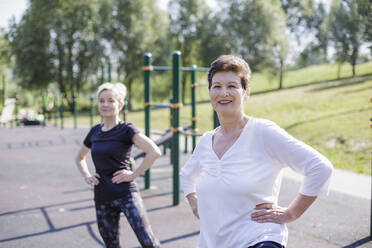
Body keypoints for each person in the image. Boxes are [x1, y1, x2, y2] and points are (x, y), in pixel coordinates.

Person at [180, 55, 333, 248]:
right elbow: (186, 175)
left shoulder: (262, 132)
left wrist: (291, 213)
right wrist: (194, 202)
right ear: (210, 92)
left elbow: (320, 167)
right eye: (217, 86)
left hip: (259, 239)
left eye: (232, 86)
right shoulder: (205, 141)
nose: (223, 92)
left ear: (246, 93)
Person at [75, 82, 161, 248]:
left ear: (120, 104)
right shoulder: (94, 132)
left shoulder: (126, 129)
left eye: (110, 100)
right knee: (111, 244)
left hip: (126, 194)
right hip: (102, 196)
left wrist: (133, 175)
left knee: (148, 242)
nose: (105, 104)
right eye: (101, 101)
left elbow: (154, 151)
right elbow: (79, 157)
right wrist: (87, 176)